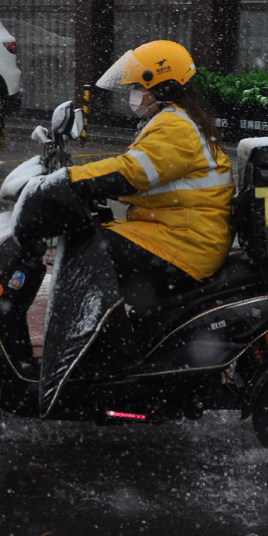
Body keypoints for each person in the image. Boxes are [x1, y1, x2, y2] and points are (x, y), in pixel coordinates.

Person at [68, 40, 235, 345]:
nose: (134, 95)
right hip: (184, 233)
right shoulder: (178, 119)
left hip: (186, 244)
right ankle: (120, 340)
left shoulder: (177, 127)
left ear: (163, 87)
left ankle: (109, 351)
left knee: (90, 254)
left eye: (138, 87)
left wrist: (69, 180)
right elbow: (148, 180)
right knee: (96, 241)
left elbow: (131, 173)